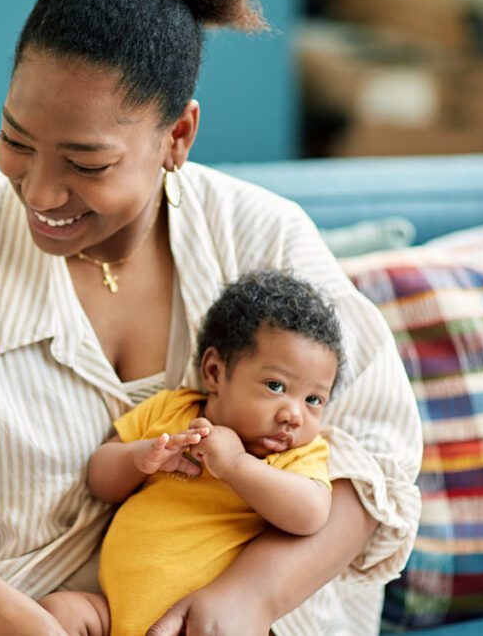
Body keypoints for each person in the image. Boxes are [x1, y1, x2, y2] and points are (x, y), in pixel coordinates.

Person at [0, 0, 422, 634]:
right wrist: (20, 624)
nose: (41, 192)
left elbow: (376, 453)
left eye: (87, 162)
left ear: (178, 136)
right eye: (16, 140)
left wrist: (248, 597)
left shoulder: (264, 235)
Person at [38, 271, 344, 635]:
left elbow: (311, 514)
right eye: (275, 386)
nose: (293, 415)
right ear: (214, 372)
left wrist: (235, 465)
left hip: (204, 623)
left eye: (313, 400)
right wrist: (139, 458)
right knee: (59, 612)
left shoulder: (295, 455)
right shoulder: (172, 411)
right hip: (111, 616)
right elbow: (99, 478)